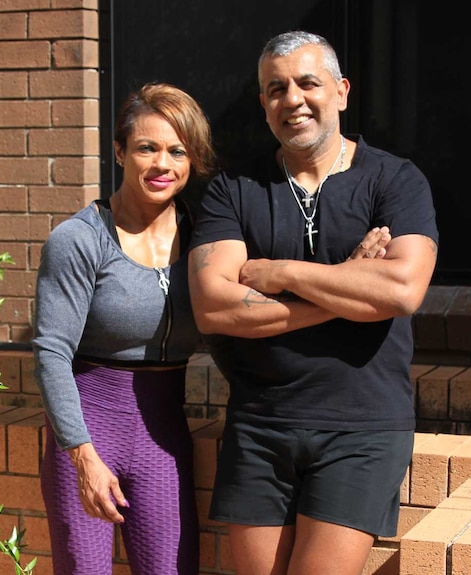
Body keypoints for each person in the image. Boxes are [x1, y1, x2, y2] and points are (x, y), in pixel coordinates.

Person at [187, 31, 439, 575]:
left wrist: (282, 274)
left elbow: (401, 291)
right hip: (260, 423)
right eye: (276, 89)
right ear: (263, 103)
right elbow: (215, 308)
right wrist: (350, 282)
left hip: (363, 427)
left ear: (342, 91)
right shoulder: (232, 189)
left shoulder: (396, 180)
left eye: (308, 83)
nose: (292, 99)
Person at [32, 83, 216, 575]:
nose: (163, 164)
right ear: (119, 151)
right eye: (146, 147)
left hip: (164, 438)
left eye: (177, 151)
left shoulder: (205, 236)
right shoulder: (78, 240)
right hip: (90, 437)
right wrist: (82, 457)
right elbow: (51, 352)